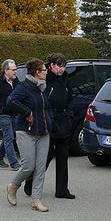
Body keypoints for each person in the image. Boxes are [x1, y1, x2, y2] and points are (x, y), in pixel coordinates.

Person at [24, 53, 75, 200]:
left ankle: (62, 190)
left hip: (64, 122)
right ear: (51, 66)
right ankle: (30, 183)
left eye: (64, 66)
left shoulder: (66, 78)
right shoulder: (45, 79)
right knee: (45, 157)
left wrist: (69, 115)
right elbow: (40, 101)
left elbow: (71, 99)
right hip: (50, 123)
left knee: (63, 157)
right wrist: (48, 118)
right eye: (59, 66)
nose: (62, 69)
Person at [5, 59, 53, 213]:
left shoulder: (42, 87)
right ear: (37, 72)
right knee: (28, 166)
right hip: (26, 131)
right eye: (44, 70)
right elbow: (11, 100)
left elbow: (46, 108)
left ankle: (36, 200)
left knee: (40, 168)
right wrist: (28, 113)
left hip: (43, 132)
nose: (46, 72)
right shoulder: (24, 86)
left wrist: (50, 122)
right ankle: (13, 186)